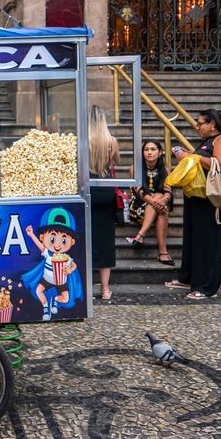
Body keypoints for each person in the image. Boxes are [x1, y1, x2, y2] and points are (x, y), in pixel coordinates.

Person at [165, 109, 221, 300]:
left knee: (210, 239)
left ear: (212, 124)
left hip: (215, 193)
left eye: (200, 124)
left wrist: (192, 157)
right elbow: (199, 159)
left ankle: (207, 287)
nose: (197, 127)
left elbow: (219, 164)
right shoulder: (206, 142)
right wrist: (185, 153)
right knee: (193, 237)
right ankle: (188, 277)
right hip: (198, 192)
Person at [126, 139, 174, 266]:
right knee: (161, 207)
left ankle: (140, 235)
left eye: (153, 149)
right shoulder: (134, 168)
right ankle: (163, 252)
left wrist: (163, 200)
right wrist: (156, 201)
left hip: (158, 205)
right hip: (138, 207)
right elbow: (139, 192)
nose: (149, 152)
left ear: (159, 153)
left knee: (162, 208)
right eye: (146, 149)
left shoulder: (166, 170)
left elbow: (168, 192)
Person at [89, 104, 120, 300]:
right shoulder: (111, 141)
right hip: (107, 191)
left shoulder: (84, 140)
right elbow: (116, 160)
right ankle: (105, 289)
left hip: (89, 191)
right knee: (106, 241)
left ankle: (86, 287)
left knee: (87, 239)